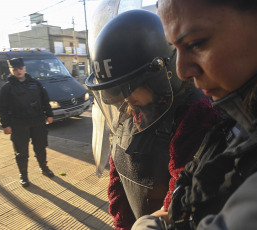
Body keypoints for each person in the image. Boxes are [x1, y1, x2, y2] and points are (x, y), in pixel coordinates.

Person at [132, 0, 257, 229]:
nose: (181, 71)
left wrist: (146, 224)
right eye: (174, 50)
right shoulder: (246, 112)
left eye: (196, 43)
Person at [85, 10, 220, 229]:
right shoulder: (132, 111)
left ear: (158, 75)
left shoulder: (195, 116)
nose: (125, 97)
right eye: (117, 89)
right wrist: (121, 224)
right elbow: (117, 178)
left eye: (129, 86)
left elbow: (177, 200)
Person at [0, 57, 55, 188]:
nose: (18, 71)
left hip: (38, 121)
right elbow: (2, 108)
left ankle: (44, 168)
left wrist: (49, 114)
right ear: (10, 70)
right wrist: (5, 125)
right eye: (15, 69)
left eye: (20, 68)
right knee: (21, 152)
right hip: (18, 124)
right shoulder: (6, 88)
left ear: (25, 68)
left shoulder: (35, 83)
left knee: (41, 147)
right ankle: (23, 175)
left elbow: (45, 100)